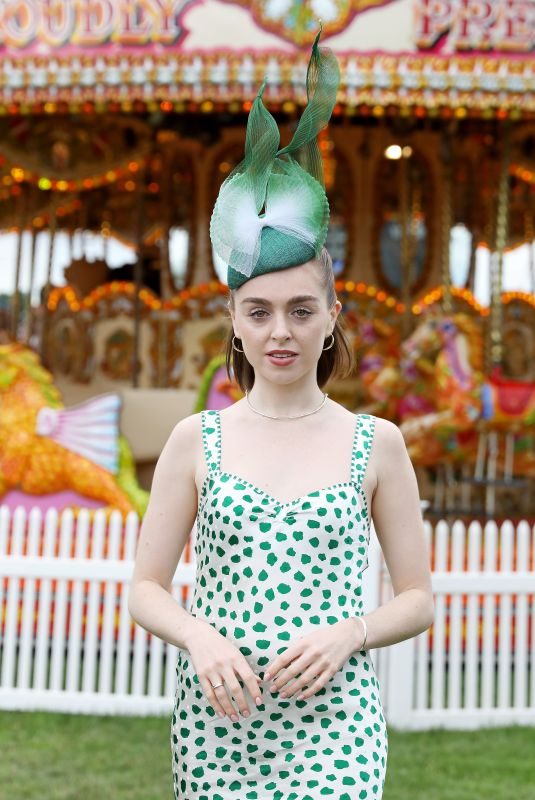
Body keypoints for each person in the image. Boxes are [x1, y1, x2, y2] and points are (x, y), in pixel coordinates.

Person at [128, 28, 434, 800]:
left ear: (332, 314)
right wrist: (197, 636)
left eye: (300, 311)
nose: (280, 332)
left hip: (335, 723)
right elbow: (145, 587)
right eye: (259, 312)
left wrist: (351, 633)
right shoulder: (195, 440)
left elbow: (416, 597)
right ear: (233, 318)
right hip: (217, 720)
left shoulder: (378, 444)